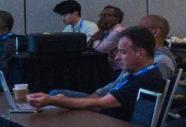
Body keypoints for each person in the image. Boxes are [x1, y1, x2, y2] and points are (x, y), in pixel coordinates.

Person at [26, 26, 159, 118]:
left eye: (123, 52)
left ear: (140, 53)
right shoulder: (136, 73)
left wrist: (55, 101)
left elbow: (100, 104)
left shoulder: (145, 80)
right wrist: (60, 100)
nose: (117, 57)